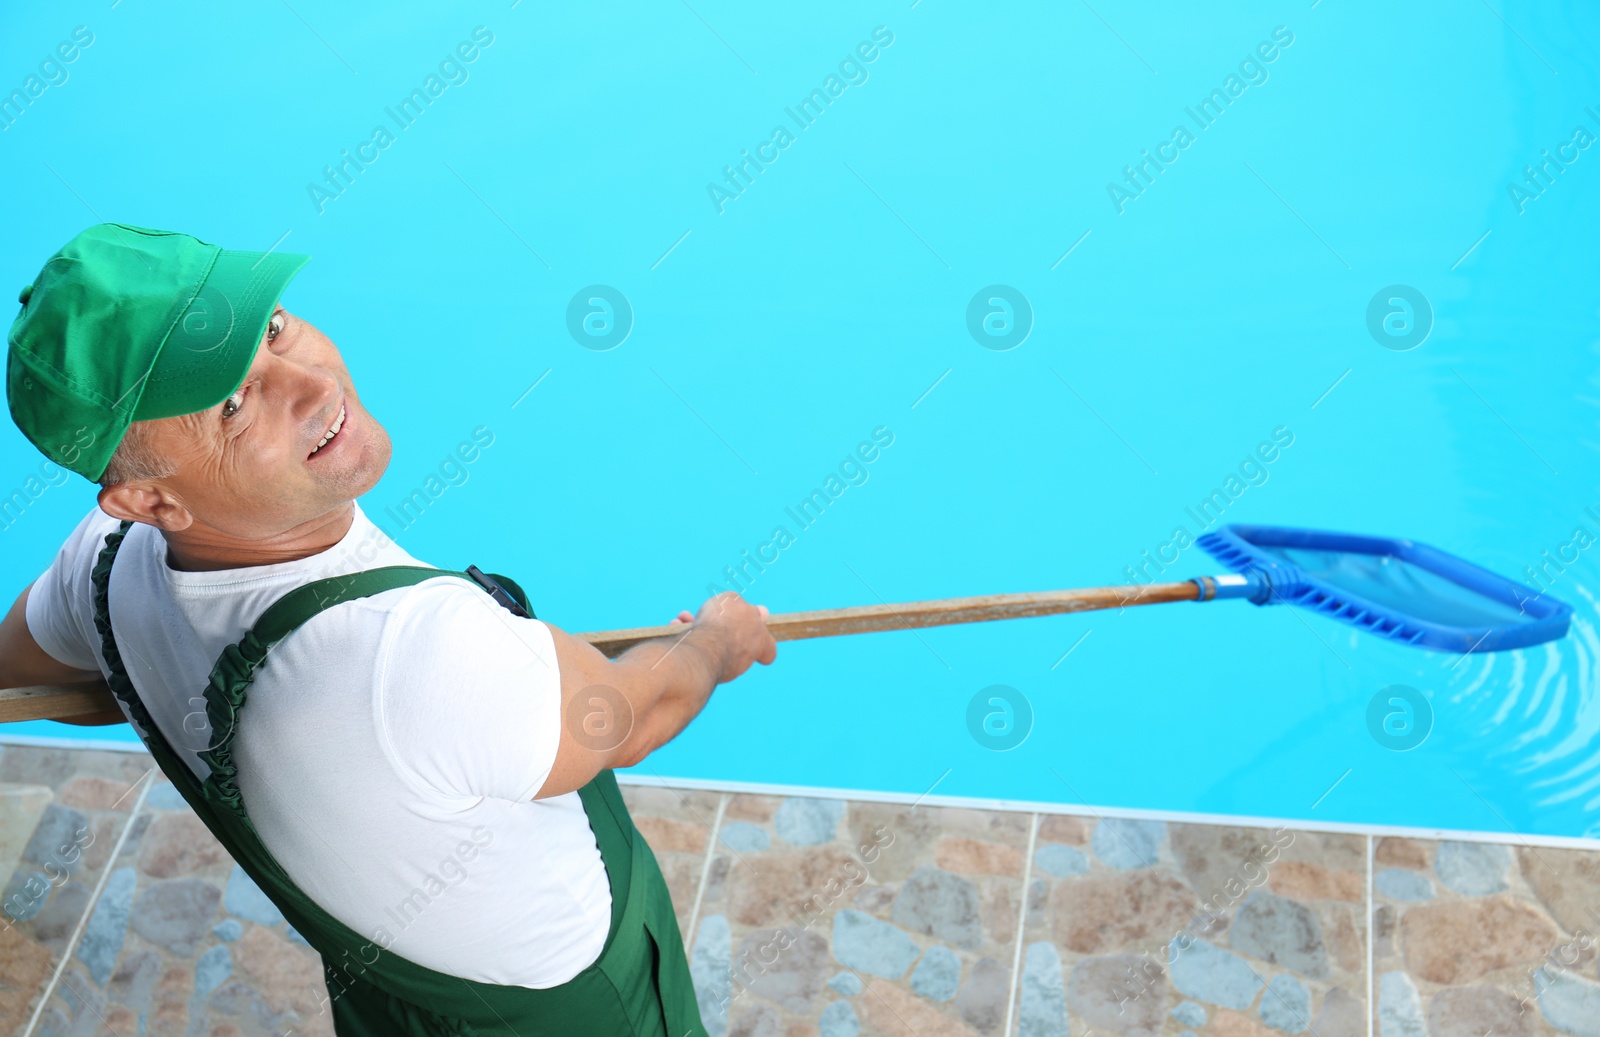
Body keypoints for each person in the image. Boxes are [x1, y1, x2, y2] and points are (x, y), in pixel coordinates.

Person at [0, 222, 776, 1036]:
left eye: (270, 330)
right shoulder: (417, 652)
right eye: (233, 404)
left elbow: (23, 679)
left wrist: (143, 676)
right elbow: (634, 714)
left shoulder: (100, 569)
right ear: (155, 501)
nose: (308, 383)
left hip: (388, 1003)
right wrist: (717, 640)